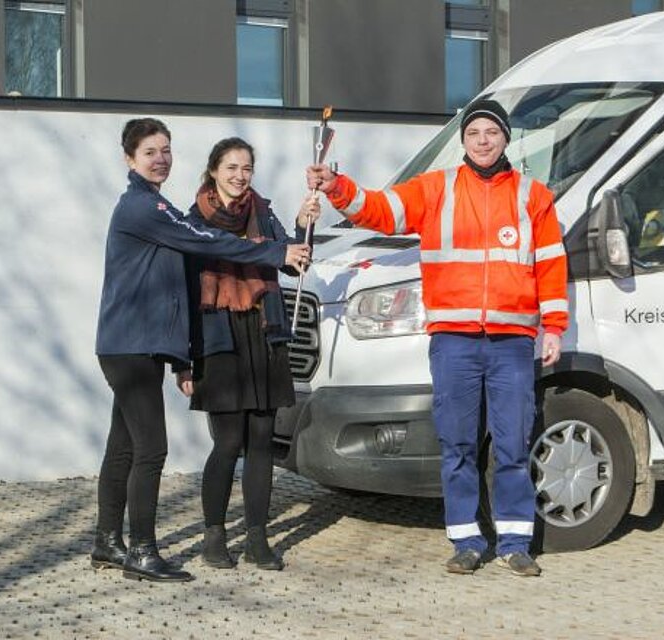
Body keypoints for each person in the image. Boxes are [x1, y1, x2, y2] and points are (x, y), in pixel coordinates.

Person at [307, 100, 568, 578]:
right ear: (464, 141)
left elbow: (551, 265)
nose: (483, 141)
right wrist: (337, 187)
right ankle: (466, 541)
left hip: (512, 342)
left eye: (492, 132)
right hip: (454, 342)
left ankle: (515, 542)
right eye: (475, 134)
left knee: (512, 446)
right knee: (458, 445)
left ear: (507, 139)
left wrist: (554, 327)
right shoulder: (438, 188)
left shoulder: (534, 196)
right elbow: (381, 211)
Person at [92, 118, 310, 583]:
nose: (162, 159)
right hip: (131, 345)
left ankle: (108, 541)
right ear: (130, 159)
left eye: (167, 150)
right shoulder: (145, 207)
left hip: (137, 344)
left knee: (124, 446)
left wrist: (293, 236)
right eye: (151, 152)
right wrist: (275, 253)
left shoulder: (153, 204)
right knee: (152, 450)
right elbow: (205, 239)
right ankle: (143, 552)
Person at [177, 137, 320, 571]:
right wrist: (183, 362)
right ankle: (215, 535)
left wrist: (300, 226)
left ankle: (257, 540)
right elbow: (184, 293)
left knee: (261, 443)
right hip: (218, 340)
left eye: (246, 169)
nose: (240, 176)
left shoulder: (262, 210)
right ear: (214, 170)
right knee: (228, 442)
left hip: (263, 332)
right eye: (231, 167)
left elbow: (292, 263)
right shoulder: (193, 221)